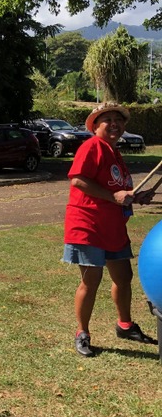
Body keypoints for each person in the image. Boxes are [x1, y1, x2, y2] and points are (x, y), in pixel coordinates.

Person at [63, 102, 156, 357]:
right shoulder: (92, 147)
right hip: (88, 224)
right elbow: (78, 180)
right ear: (95, 126)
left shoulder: (114, 152)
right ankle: (82, 332)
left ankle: (124, 325)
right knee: (91, 280)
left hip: (113, 226)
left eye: (119, 119)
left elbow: (118, 191)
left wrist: (136, 197)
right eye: (108, 119)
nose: (115, 124)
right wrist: (113, 196)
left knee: (123, 277)